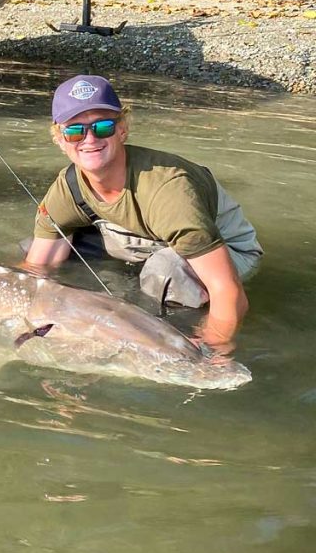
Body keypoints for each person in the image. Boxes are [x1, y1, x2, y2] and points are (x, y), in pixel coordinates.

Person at [22, 74, 263, 353]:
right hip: (146, 239)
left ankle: (175, 332)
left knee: (166, 270)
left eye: (102, 127)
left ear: (122, 129)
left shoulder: (169, 189)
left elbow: (229, 291)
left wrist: (214, 350)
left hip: (228, 251)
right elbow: (35, 270)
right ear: (61, 141)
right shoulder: (67, 187)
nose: (89, 139)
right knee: (37, 250)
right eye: (75, 131)